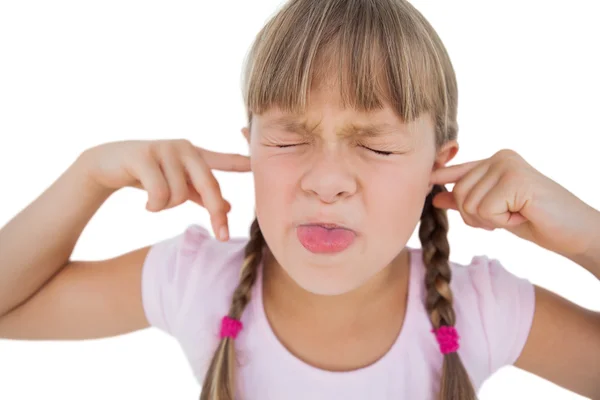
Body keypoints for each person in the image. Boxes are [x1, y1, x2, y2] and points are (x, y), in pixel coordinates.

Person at [0, 0, 598, 399]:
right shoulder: (195, 280)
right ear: (251, 148)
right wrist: (88, 176)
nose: (326, 181)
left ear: (438, 168)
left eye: (378, 148)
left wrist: (588, 235)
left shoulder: (482, 308)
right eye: (289, 139)